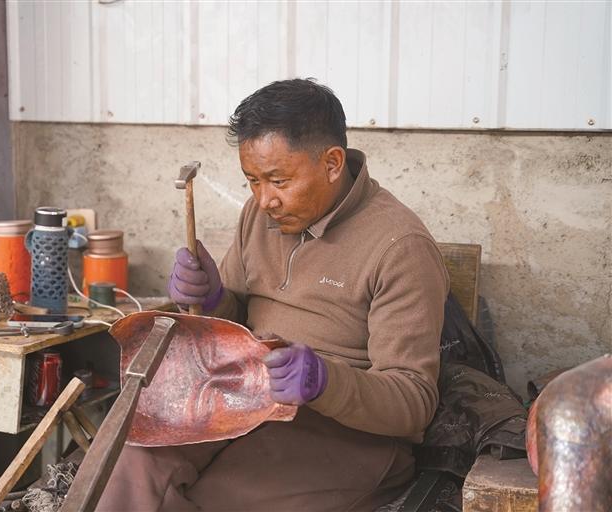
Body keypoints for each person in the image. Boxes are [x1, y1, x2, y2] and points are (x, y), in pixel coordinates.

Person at [97, 78, 449, 511]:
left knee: (215, 501)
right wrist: (213, 298)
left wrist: (325, 382)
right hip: (243, 399)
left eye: (278, 180)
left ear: (332, 163)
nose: (265, 201)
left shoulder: (400, 247)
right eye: (252, 181)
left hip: (347, 434)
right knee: (133, 459)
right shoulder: (259, 215)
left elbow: (413, 401)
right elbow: (234, 324)